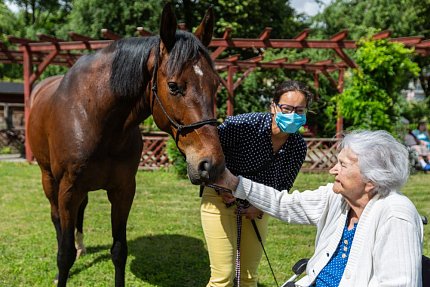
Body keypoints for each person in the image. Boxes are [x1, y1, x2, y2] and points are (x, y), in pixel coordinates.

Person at [214, 130, 423, 287]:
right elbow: (284, 204)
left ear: (371, 179)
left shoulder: (396, 215)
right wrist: (234, 183)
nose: (333, 170)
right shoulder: (338, 198)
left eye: (342, 165)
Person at [200, 80, 314, 287]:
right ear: (273, 106)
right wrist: (220, 185)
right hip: (220, 200)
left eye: (299, 110)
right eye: (287, 108)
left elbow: (283, 186)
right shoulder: (244, 125)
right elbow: (207, 152)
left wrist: (260, 206)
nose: (292, 115)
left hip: (257, 207)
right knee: (223, 277)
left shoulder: (298, 146)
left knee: (248, 277)